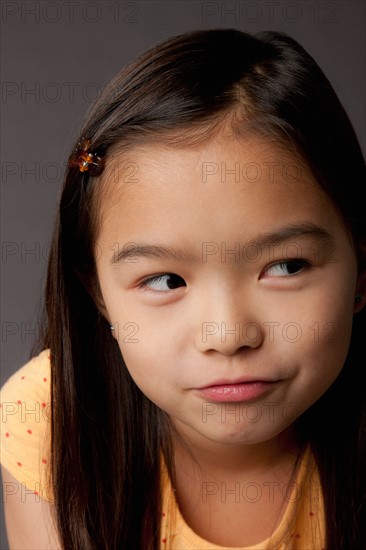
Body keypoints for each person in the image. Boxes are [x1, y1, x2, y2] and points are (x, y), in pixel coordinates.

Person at [1, 28, 365, 550]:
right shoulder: (48, 420)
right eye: (166, 280)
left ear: (361, 267)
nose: (227, 333)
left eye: (285, 267)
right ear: (100, 294)